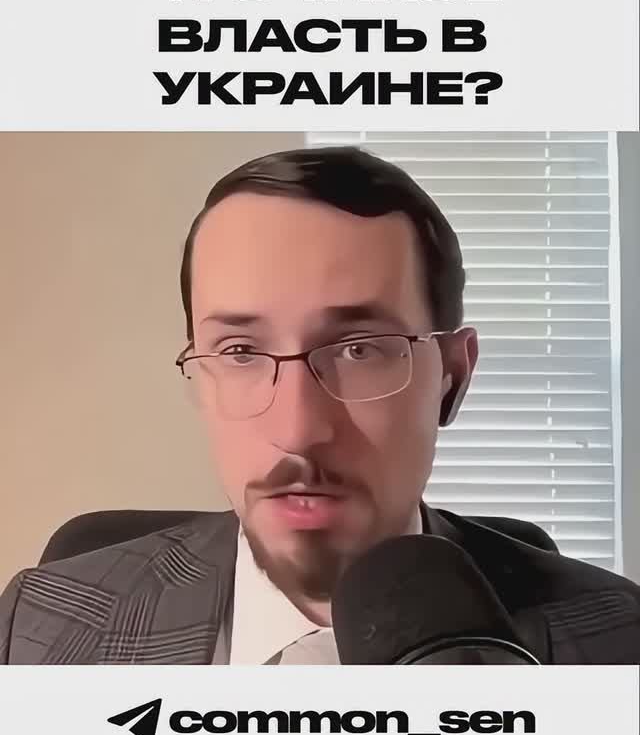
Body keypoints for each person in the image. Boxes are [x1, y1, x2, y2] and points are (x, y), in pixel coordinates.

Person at [1, 147, 639, 664]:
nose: (298, 431)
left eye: (359, 350)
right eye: (241, 351)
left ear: (451, 375)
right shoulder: (35, 628)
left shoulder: (620, 645)